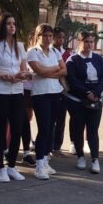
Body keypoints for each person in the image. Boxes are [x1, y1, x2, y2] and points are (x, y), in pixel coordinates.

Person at [0, 13, 28, 183]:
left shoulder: (20, 46)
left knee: (17, 130)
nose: (12, 26)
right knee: (0, 129)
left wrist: (23, 75)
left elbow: (23, 69)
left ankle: (11, 166)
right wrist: (8, 76)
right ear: (2, 26)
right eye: (8, 23)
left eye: (14, 23)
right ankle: (1, 167)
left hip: (17, 92)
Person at [26, 23, 66, 179]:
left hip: (55, 92)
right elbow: (39, 71)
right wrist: (53, 70)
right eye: (45, 35)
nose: (48, 39)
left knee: (51, 128)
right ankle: (39, 164)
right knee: (43, 128)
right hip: (41, 94)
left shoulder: (55, 51)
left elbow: (64, 70)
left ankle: (46, 159)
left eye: (50, 36)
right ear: (38, 36)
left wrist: (47, 72)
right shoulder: (32, 52)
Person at [65, 31, 103, 173]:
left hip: (95, 100)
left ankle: (95, 160)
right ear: (79, 42)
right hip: (77, 101)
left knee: (93, 131)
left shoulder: (98, 58)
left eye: (91, 41)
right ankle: (81, 157)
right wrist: (87, 92)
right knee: (78, 129)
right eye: (87, 41)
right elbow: (72, 80)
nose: (90, 44)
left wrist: (95, 93)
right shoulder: (72, 60)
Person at [51, 26, 69, 155]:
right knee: (50, 119)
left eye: (63, 37)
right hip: (50, 87)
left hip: (64, 89)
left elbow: (67, 72)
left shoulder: (67, 54)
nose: (61, 40)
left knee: (61, 119)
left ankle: (57, 145)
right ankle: (49, 145)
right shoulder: (48, 51)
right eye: (58, 37)